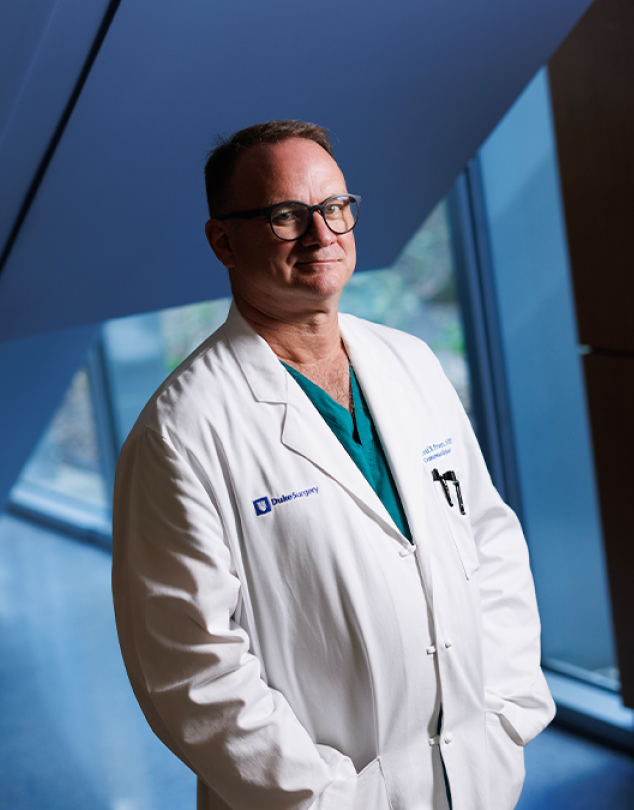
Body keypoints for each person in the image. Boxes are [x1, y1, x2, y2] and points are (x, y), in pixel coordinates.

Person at [111, 120, 554, 810]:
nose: (323, 235)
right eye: (287, 216)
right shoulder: (183, 432)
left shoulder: (411, 363)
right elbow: (191, 669)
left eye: (336, 207)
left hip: (476, 778)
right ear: (223, 240)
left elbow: (489, 543)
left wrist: (506, 715)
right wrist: (323, 798)